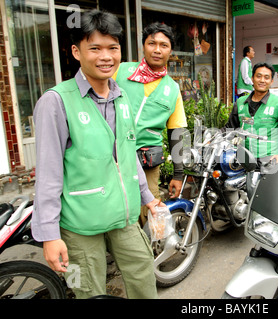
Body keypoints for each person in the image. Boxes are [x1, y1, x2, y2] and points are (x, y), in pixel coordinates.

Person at [31, 10, 161, 299]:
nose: (106, 57)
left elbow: (127, 154)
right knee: (88, 290)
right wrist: (49, 235)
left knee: (144, 279)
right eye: (95, 48)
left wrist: (148, 199)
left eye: (113, 48)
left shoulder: (122, 96)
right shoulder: (56, 102)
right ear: (77, 52)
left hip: (124, 215)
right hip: (80, 223)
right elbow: (49, 174)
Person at [113, 22, 187, 226]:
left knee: (149, 214)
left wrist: (178, 174)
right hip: (112, 156)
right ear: (143, 46)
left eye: (164, 45)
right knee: (117, 210)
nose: (157, 49)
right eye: (152, 43)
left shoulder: (172, 89)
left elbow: (177, 131)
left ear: (171, 50)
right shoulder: (120, 71)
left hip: (147, 163)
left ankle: (152, 253)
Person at [224, 62, 278, 163]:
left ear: (271, 81)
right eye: (258, 76)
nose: (262, 80)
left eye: (266, 77)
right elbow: (230, 127)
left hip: (269, 160)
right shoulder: (240, 102)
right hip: (244, 159)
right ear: (252, 78)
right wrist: (212, 137)